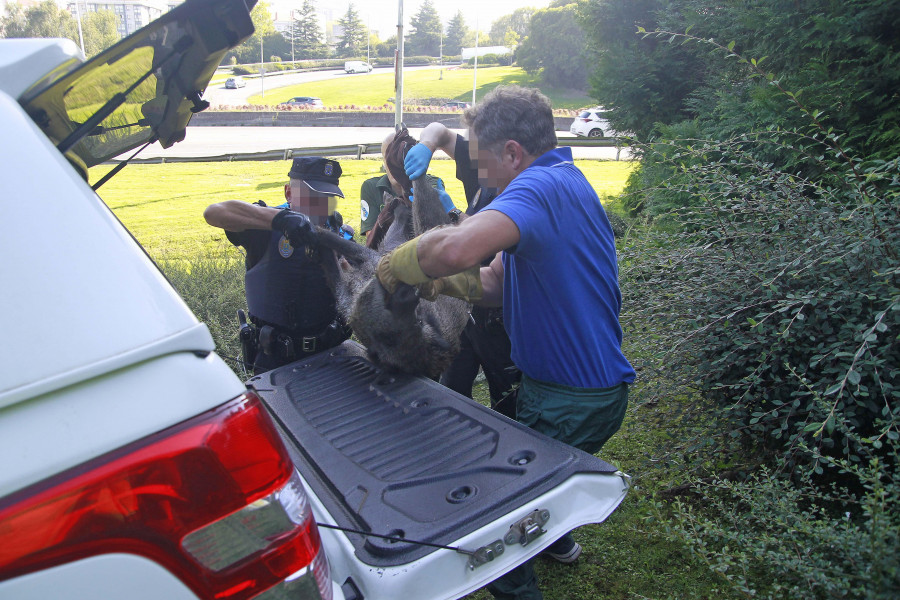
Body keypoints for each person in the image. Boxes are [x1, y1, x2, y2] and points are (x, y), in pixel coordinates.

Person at [376, 86, 635, 600]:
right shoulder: (561, 182)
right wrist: (441, 284)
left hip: (573, 399)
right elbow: (493, 282)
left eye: (484, 162)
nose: (481, 175)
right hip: (565, 389)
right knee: (527, 492)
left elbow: (454, 247)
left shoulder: (537, 189)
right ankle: (550, 529)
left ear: (513, 152)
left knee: (496, 527)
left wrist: (395, 266)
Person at [403, 122, 520, 420]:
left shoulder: (519, 191)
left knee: (506, 402)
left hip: (500, 315)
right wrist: (426, 145)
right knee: (452, 388)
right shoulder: (483, 161)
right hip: (469, 307)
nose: (473, 163)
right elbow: (439, 130)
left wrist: (454, 214)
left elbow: (484, 247)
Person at [204, 157, 352, 375]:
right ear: (289, 193)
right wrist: (279, 219)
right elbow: (214, 212)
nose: (322, 206)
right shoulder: (265, 226)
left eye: (328, 198)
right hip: (277, 360)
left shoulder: (340, 234)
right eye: (313, 196)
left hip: (332, 353)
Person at [360, 128, 459, 249]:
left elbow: (435, 228)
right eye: (390, 159)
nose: (395, 165)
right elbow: (372, 237)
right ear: (384, 162)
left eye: (399, 159)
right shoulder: (371, 186)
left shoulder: (432, 183)